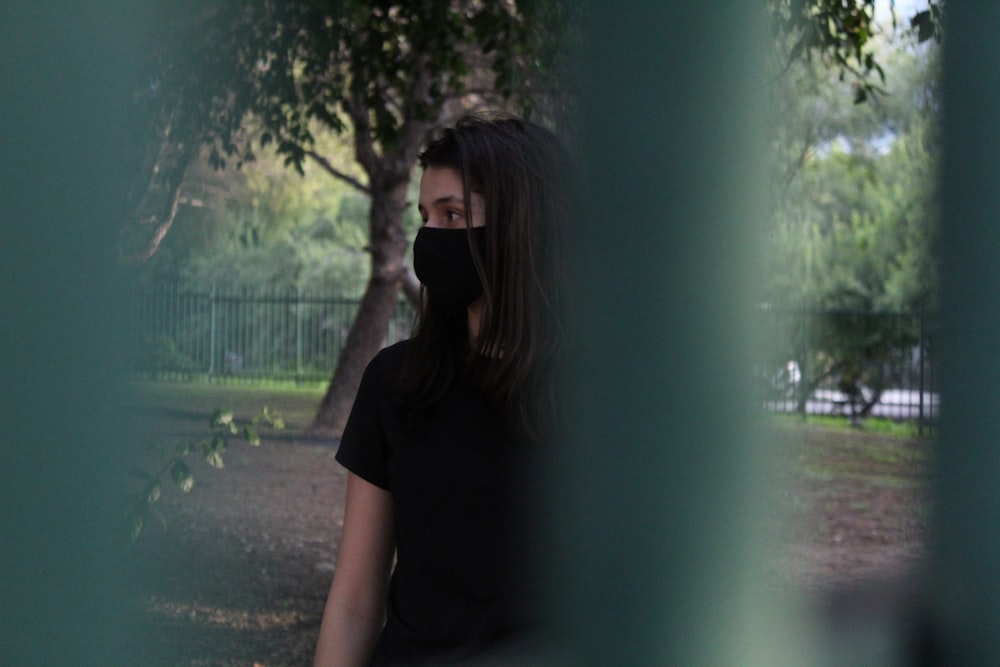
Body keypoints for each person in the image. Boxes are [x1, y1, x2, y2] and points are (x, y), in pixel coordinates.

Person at [312, 114, 570, 666]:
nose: (429, 239)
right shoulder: (395, 382)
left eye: (453, 215)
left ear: (524, 224)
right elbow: (356, 601)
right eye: (425, 217)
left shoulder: (608, 400)